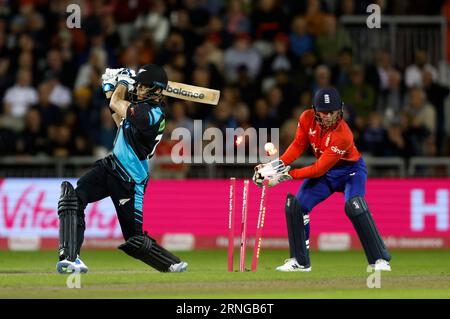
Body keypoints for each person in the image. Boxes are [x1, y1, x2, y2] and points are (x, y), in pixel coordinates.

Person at [56, 64, 188, 274]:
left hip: (130, 179)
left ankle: (171, 264)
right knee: (72, 198)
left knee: (134, 240)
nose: (139, 89)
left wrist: (122, 83)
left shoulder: (153, 114)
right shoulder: (140, 109)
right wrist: (110, 90)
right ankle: (70, 258)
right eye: (139, 85)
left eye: (144, 87)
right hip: (111, 166)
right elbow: (120, 121)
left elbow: (118, 103)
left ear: (156, 90)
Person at [253, 87, 391, 272]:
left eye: (332, 112)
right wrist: (274, 167)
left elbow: (318, 169)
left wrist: (286, 175)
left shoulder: (344, 135)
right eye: (323, 112)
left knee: (354, 205)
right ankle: (300, 262)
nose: (328, 116)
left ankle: (380, 260)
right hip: (327, 174)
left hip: (350, 172)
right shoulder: (306, 118)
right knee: (296, 206)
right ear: (315, 110)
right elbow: (298, 145)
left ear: (340, 110)